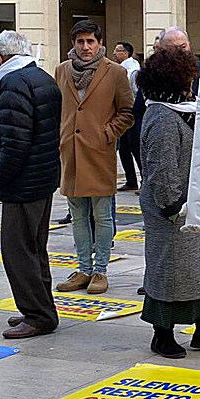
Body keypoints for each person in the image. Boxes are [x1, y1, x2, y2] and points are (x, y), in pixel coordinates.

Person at [137, 46, 200, 358]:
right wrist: (173, 206)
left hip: (198, 204)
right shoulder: (162, 116)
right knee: (170, 271)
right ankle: (161, 332)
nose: (192, 83)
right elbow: (160, 169)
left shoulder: (185, 109)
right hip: (174, 210)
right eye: (188, 77)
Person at [0, 31, 63, 340]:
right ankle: (41, 309)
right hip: (42, 176)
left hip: (23, 180)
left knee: (17, 250)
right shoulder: (42, 77)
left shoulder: (13, 84)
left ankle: (38, 315)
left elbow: (15, 142)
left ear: (1, 58)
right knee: (34, 248)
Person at [54, 21, 134, 295]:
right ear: (73, 44)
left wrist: (107, 133)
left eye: (90, 41)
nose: (85, 47)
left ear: (100, 43)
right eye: (80, 42)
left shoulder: (115, 72)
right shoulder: (62, 71)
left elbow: (127, 112)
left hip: (99, 153)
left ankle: (101, 270)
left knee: (102, 216)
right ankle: (83, 269)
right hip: (71, 153)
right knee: (77, 216)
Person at [113, 41, 140, 192]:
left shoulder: (133, 71)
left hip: (132, 114)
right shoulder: (120, 69)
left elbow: (136, 94)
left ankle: (143, 179)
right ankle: (131, 180)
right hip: (122, 114)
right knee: (123, 149)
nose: (114, 53)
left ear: (126, 53)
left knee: (135, 148)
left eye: (117, 50)